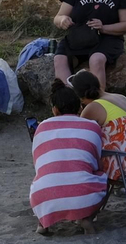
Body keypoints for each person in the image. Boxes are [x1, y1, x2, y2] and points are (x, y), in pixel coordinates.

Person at [29, 83, 109, 235]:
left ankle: (43, 223)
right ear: (80, 108)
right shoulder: (92, 126)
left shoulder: (42, 127)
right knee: (103, 176)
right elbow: (97, 164)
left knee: (42, 177)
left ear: (55, 109)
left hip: (44, 196)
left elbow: (38, 165)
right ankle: (86, 217)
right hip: (85, 197)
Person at [68, 70, 126, 182]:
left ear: (81, 97)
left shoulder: (93, 107)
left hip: (125, 165)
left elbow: (77, 138)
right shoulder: (120, 97)